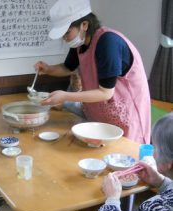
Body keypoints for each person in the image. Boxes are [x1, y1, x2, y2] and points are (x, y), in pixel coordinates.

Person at [34, 0, 151, 144]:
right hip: (99, 118)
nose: (64, 38)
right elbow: (68, 68)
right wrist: (48, 69)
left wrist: (65, 96)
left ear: (84, 25)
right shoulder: (79, 43)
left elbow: (106, 93)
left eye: (67, 32)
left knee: (126, 158)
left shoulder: (108, 42)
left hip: (126, 118)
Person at [89, 112, 173, 211]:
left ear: (169, 163)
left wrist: (112, 200)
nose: (153, 153)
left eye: (155, 148)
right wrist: (162, 182)